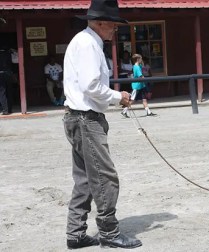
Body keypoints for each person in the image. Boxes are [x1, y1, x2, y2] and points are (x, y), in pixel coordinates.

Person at [62, 0, 142, 249]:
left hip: (78, 117)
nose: (115, 30)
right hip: (86, 118)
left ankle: (75, 233)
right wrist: (119, 96)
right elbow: (91, 86)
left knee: (85, 178)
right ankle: (108, 231)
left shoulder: (85, 41)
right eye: (112, 25)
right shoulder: (88, 45)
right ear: (99, 23)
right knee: (106, 177)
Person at [121, 53, 155, 117]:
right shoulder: (136, 67)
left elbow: (142, 67)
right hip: (137, 86)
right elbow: (140, 76)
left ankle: (148, 112)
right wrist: (145, 79)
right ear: (137, 59)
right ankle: (124, 111)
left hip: (141, 85)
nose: (141, 60)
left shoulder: (137, 66)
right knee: (132, 99)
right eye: (140, 58)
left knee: (144, 98)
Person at [0, 46, 13, 115]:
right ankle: (10, 109)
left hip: (0, 74)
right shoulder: (9, 54)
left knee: (2, 92)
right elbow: (16, 60)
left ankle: (5, 110)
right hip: (8, 74)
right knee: (9, 92)